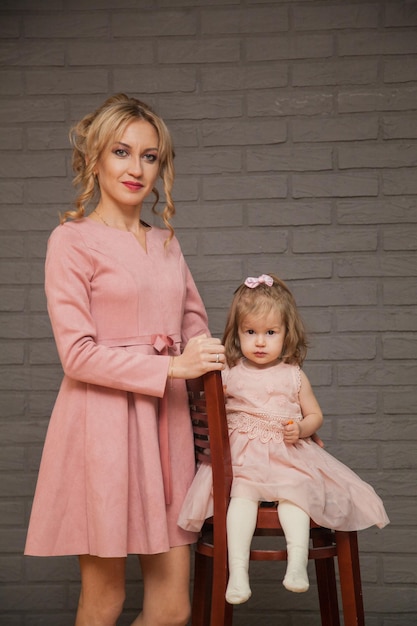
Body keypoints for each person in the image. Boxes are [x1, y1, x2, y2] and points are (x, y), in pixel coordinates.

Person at [24, 93, 226, 626]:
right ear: (95, 158)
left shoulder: (167, 244)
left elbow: (195, 330)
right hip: (103, 433)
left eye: (150, 156)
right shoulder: (71, 241)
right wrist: (169, 368)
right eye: (121, 151)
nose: (136, 168)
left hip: (169, 431)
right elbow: (77, 354)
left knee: (172, 608)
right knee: (104, 600)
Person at [178, 273, 389, 605]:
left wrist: (302, 429)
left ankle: (296, 566)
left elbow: (315, 415)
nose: (260, 342)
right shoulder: (230, 374)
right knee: (240, 499)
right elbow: (212, 414)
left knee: (296, 497)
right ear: (237, 334)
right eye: (250, 332)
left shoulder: (294, 375)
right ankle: (238, 574)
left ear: (286, 335)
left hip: (287, 456)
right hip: (245, 462)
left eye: (270, 333)